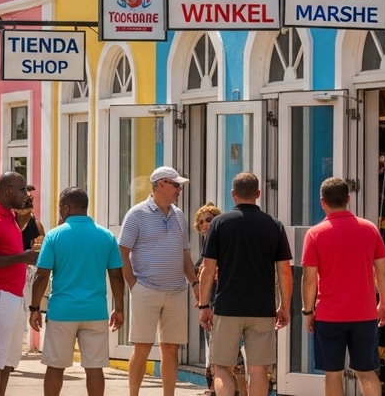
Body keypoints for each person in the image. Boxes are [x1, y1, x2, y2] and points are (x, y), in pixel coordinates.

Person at [197, 173, 293, 396]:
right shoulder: (274, 226)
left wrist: (203, 305)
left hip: (227, 307)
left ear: (233, 195)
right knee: (259, 371)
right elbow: (285, 271)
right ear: (258, 194)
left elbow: (207, 268)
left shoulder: (220, 224)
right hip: (262, 309)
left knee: (222, 368)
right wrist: (284, 306)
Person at [28, 187, 124, 396]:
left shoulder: (54, 236)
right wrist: (119, 308)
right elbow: (116, 275)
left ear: (66, 207)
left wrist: (34, 308)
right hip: (95, 311)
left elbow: (42, 275)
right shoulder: (106, 235)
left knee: (55, 366)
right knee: (94, 367)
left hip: (62, 312)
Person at [301, 177, 385, 396]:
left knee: (333, 374)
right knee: (367, 372)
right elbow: (382, 270)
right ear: (348, 199)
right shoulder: (369, 229)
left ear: (323, 202)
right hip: (364, 313)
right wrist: (384, 303)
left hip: (329, 315)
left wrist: (308, 311)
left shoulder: (314, 234)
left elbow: (309, 279)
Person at [118, 166, 199, 396]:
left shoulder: (179, 215)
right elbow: (122, 251)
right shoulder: (136, 214)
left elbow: (184, 253)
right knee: (142, 348)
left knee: (171, 348)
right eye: (176, 185)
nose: (179, 189)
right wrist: (134, 285)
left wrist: (193, 283)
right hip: (146, 289)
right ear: (161, 184)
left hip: (176, 291)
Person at [0, 171, 38, 396]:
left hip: (13, 293)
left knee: (9, 359)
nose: (26, 194)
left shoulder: (9, 216)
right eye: (22, 190)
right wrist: (22, 257)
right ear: (8, 190)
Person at [192, 202, 222, 394]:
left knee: (223, 351)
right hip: (207, 304)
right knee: (211, 349)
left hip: (221, 304)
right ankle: (211, 388)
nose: (204, 225)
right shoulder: (205, 249)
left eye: (209, 220)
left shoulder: (222, 246)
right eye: (201, 222)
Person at [16, 184, 45, 352]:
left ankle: (21, 345)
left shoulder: (35, 224)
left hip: (28, 271)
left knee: (25, 308)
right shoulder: (10, 222)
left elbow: (41, 245)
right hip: (12, 269)